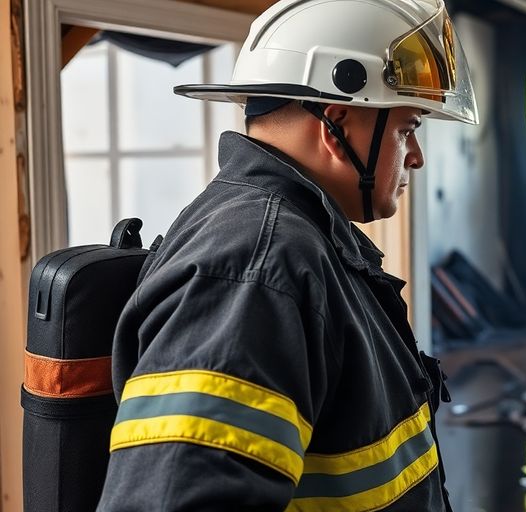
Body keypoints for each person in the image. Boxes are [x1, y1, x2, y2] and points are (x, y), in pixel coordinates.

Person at [97, 0, 476, 510]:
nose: (416, 156)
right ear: (335, 124)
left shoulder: (294, 244)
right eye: (408, 128)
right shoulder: (256, 268)